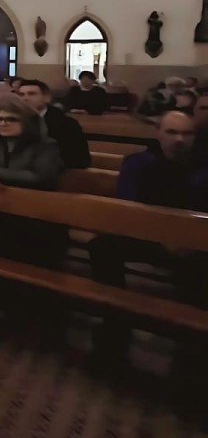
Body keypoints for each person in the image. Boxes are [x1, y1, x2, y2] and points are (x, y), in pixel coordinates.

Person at [89, 110, 208, 361]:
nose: (179, 139)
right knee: (102, 246)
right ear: (159, 133)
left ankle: (191, 337)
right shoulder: (139, 163)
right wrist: (158, 236)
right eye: (172, 132)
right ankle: (116, 317)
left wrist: (189, 240)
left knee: (198, 268)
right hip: (148, 235)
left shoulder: (203, 166)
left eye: (187, 133)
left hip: (194, 243)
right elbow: (129, 205)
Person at [0, 93, 65, 266]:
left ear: (26, 121)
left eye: (11, 119)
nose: (3, 123)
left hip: (30, 216)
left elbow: (43, 177)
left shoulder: (45, 145)